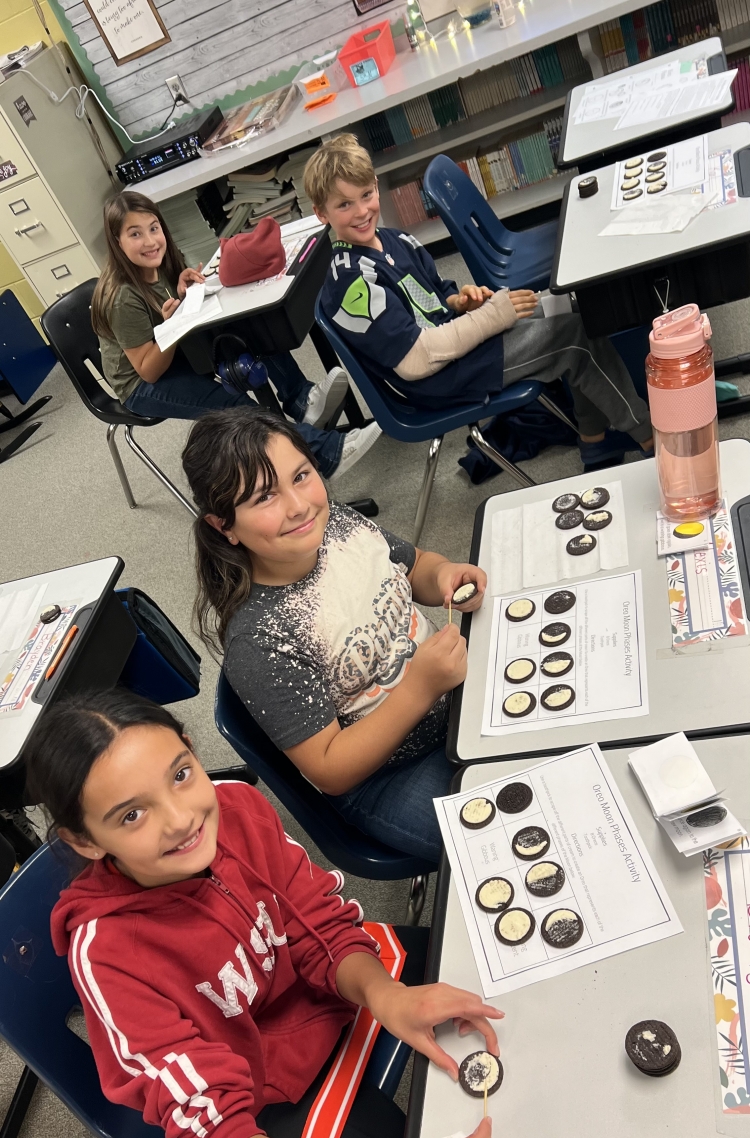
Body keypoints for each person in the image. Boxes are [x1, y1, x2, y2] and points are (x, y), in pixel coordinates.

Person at [27, 689, 504, 1138]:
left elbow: (321, 926)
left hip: (316, 999)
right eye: (132, 815)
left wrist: (385, 994)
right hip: (262, 1087)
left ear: (192, 751)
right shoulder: (109, 956)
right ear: (85, 841)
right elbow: (222, 1133)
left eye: (180, 774)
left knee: (476, 973)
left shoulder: (238, 808)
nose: (181, 820)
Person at [182, 409, 484, 865]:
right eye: (265, 497)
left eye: (301, 476)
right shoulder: (261, 639)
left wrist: (444, 574)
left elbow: (416, 565)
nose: (298, 505)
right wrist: (421, 686)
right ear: (223, 526)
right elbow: (330, 768)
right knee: (514, 828)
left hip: (452, 692)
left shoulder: (338, 523)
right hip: (390, 774)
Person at [305, 134, 654, 472]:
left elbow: (437, 295)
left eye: (366, 195)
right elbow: (415, 360)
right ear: (322, 213)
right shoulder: (351, 282)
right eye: (344, 205)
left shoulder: (396, 239)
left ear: (376, 186)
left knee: (574, 307)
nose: (362, 211)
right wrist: (490, 318)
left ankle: (594, 439)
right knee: (574, 337)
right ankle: (649, 436)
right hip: (440, 378)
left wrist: (460, 302)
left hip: (459, 347)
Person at [90, 191, 381, 480]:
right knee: (235, 407)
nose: (150, 241)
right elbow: (147, 371)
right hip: (140, 384)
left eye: (154, 228)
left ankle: (301, 400)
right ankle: (324, 453)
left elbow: (169, 309)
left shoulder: (159, 262)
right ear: (117, 241)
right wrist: (173, 326)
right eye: (135, 234)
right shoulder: (122, 298)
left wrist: (183, 292)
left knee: (247, 330)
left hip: (173, 352)